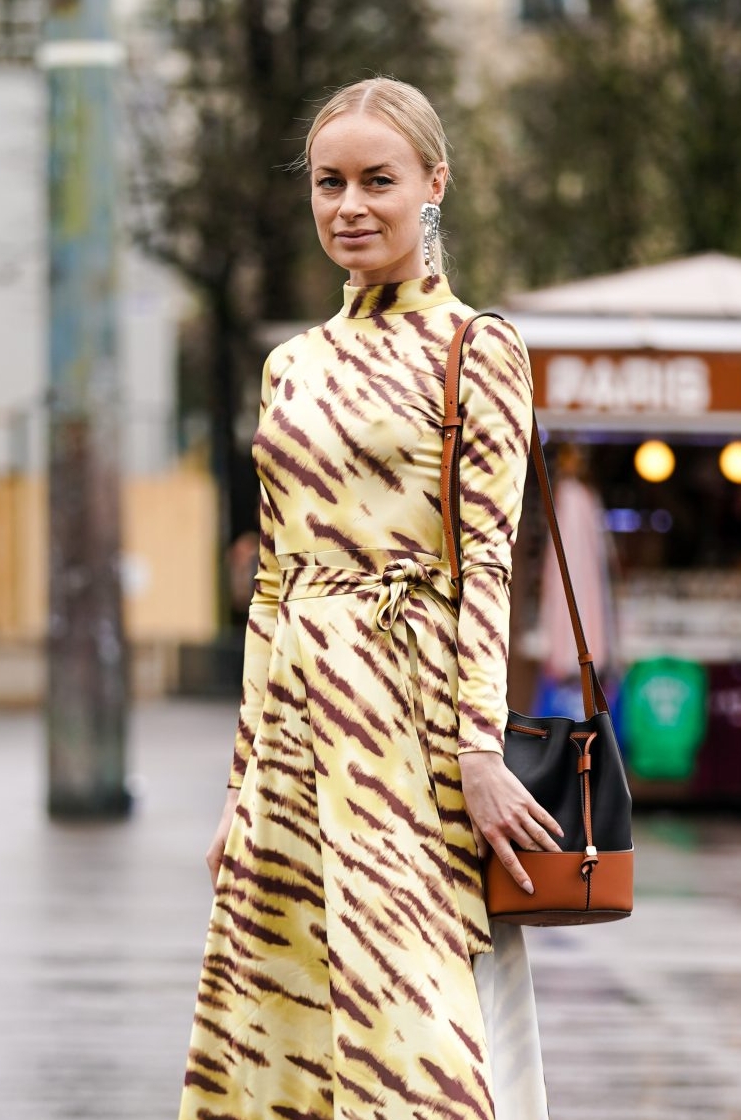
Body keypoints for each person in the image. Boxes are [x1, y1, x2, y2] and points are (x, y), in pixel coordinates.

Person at [178, 77, 560, 1120]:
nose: (348, 205)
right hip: (299, 722)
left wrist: (476, 751)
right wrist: (239, 779)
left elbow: (486, 559)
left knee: (413, 1022)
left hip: (409, 722)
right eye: (328, 181)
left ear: (434, 185)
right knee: (279, 1004)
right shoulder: (290, 365)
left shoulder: (477, 347)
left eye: (376, 181)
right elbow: (271, 584)